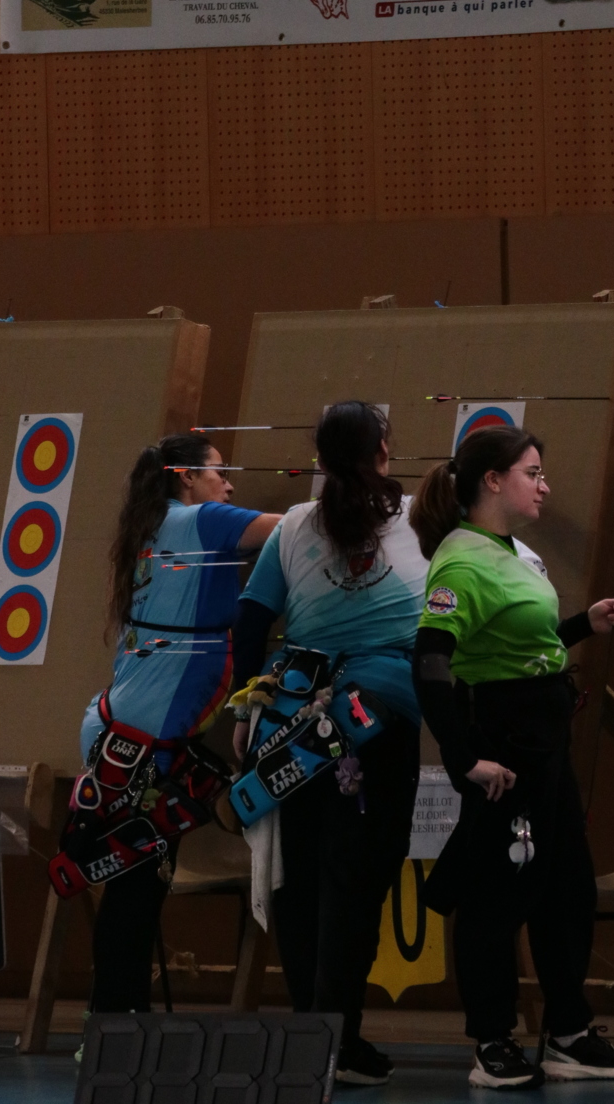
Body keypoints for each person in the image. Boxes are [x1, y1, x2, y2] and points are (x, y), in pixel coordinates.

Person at [409, 425, 614, 1089]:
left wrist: (582, 625)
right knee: (498, 892)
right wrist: (465, 761)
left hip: (544, 745)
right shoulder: (462, 562)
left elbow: (524, 645)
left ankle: (569, 1033)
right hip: (504, 749)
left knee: (566, 887)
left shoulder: (513, 552)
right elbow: (430, 664)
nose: (544, 486)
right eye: (533, 473)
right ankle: (492, 1041)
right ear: (493, 481)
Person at [231, 401, 428, 1086]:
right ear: (382, 452)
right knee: (358, 879)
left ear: (319, 459)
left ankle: (314, 1034)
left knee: (302, 876)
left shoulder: (292, 524)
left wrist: (245, 707)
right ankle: (336, 1037)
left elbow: (250, 622)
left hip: (289, 718)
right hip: (376, 721)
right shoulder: (418, 521)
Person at [79, 432, 281, 1014]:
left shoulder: (156, 526)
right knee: (137, 888)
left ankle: (115, 1021)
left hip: (126, 732)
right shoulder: (201, 520)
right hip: (138, 741)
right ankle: (113, 1025)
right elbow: (296, 527)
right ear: (186, 477)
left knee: (139, 883)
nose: (229, 485)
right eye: (219, 471)